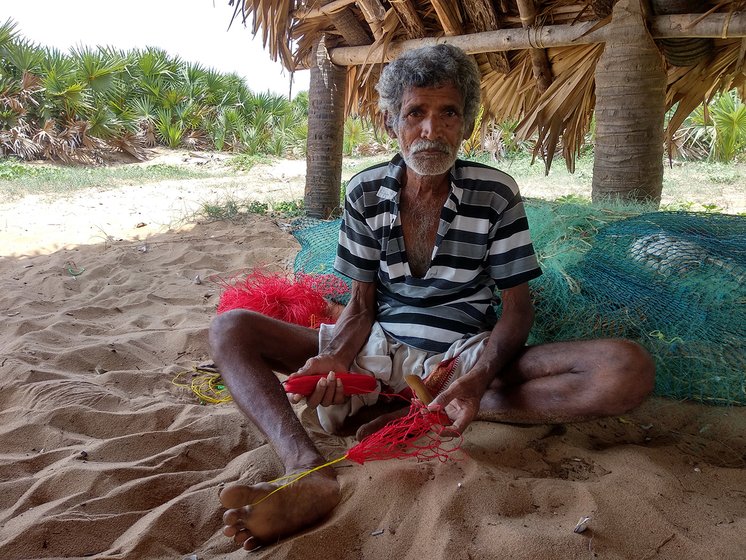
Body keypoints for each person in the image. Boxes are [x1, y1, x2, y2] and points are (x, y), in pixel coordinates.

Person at [208, 43, 655, 551]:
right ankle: (307, 468)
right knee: (231, 328)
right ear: (389, 122)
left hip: (461, 357)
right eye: (415, 113)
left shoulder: (495, 195)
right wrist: (335, 357)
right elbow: (359, 308)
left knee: (627, 368)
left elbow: (516, 311)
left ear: (466, 124)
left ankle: (435, 409)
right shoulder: (364, 193)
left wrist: (475, 380)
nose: (430, 130)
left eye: (448, 114)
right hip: (377, 350)